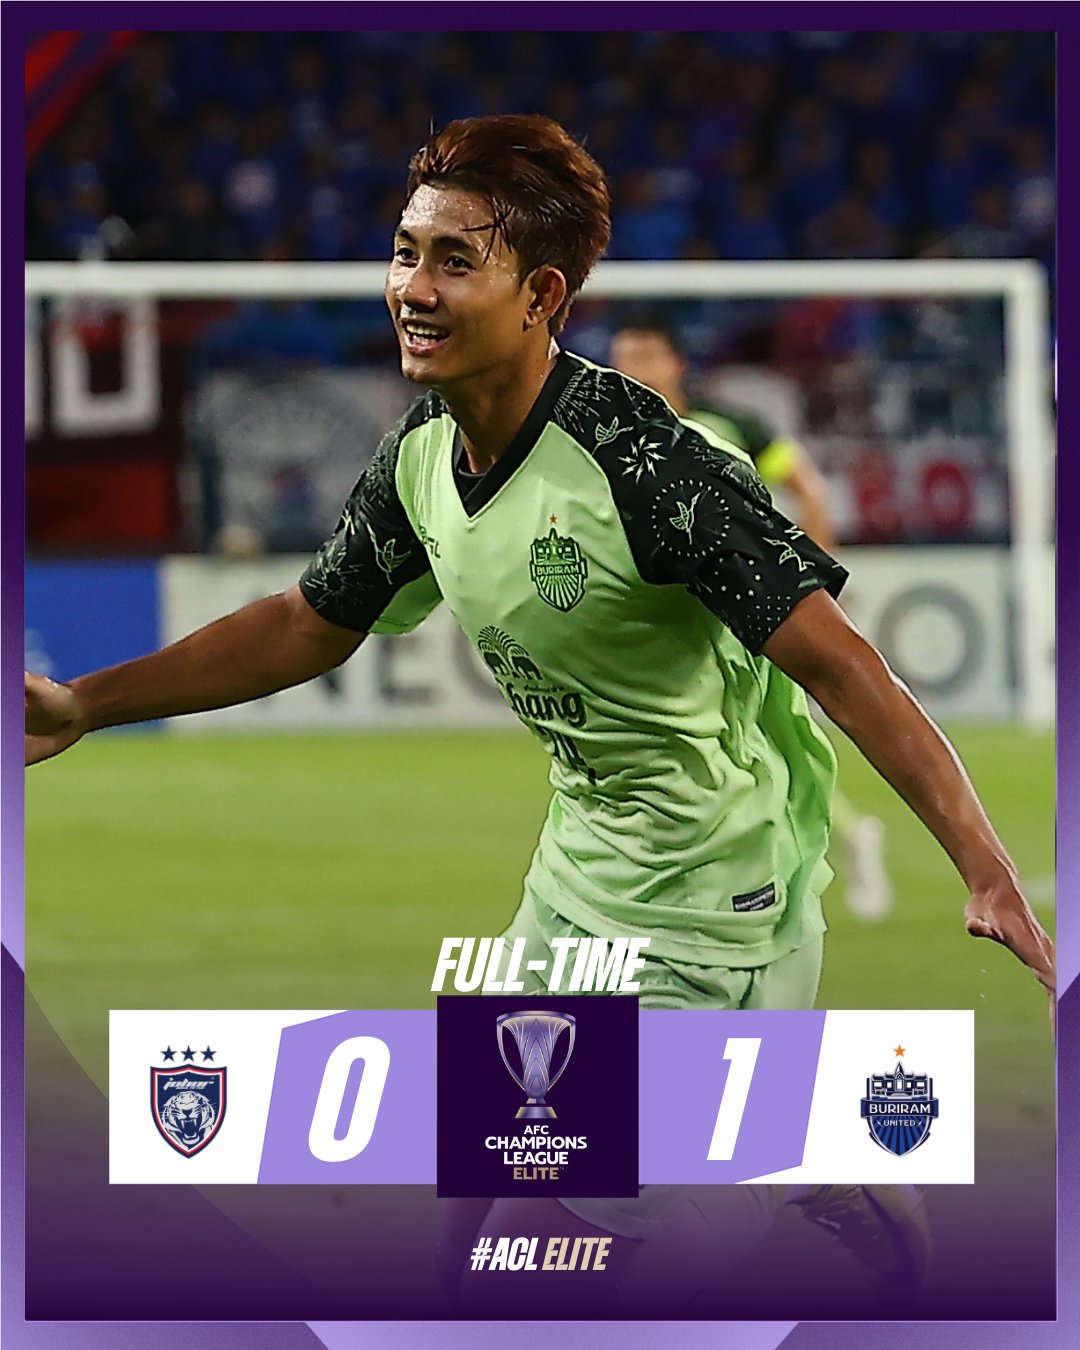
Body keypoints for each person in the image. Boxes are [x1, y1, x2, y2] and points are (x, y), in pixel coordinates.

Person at [25, 114, 1053, 1313]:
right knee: (472, 1225)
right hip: (576, 880)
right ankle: (796, 1149)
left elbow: (847, 669)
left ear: (541, 295)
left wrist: (986, 869)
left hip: (711, 904)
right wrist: (87, 703)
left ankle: (779, 1153)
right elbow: (311, 620)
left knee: (547, 1268)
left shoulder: (648, 469)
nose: (413, 288)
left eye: (455, 261)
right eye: (406, 251)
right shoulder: (425, 453)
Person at [609, 314, 894, 922]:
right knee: (730, 745)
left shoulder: (728, 427)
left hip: (736, 612)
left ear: (676, 365)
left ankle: (779, 872)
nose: (633, 370)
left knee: (750, 739)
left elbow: (808, 489)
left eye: (646, 356)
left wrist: (809, 585)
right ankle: (835, 842)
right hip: (665, 618)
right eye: (623, 358)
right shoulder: (610, 434)